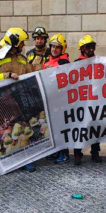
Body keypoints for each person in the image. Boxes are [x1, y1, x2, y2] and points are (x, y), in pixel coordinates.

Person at [0, 27, 37, 172]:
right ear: (14, 43)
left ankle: (26, 160)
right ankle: (7, 161)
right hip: (1, 102)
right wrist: (7, 75)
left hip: (21, 101)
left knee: (23, 129)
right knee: (6, 133)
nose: (23, 46)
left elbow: (32, 76)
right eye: (21, 43)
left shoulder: (23, 59)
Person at [73, 35, 102, 166]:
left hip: (95, 100)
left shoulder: (99, 61)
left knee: (95, 127)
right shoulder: (76, 62)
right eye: (88, 47)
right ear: (82, 49)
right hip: (81, 101)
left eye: (92, 46)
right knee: (80, 127)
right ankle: (77, 154)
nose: (91, 49)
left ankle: (95, 152)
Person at [43, 34, 71, 164]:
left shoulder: (64, 62)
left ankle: (64, 153)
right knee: (53, 127)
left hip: (61, 99)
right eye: (53, 47)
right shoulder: (47, 61)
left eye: (57, 48)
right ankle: (56, 150)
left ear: (62, 49)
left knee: (62, 127)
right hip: (50, 98)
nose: (54, 50)